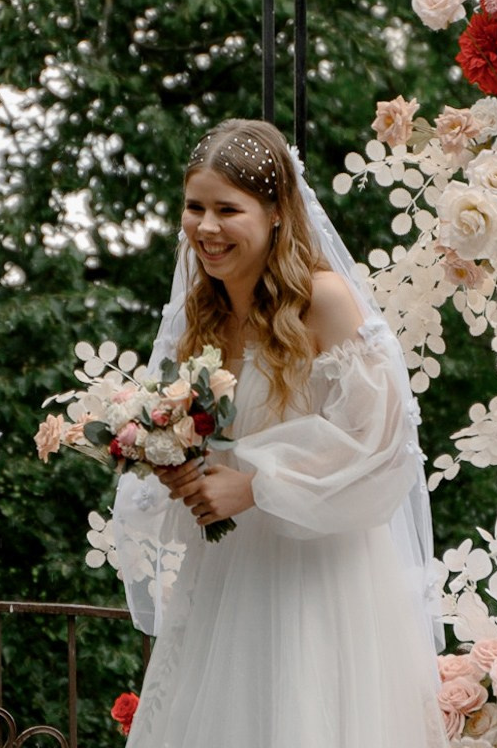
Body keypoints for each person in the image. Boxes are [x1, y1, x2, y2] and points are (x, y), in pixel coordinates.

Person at [111, 119, 446, 748]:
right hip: (227, 575)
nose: (206, 228)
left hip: (314, 573)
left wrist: (257, 485)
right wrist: (173, 461)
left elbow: (381, 445)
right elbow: (199, 433)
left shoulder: (324, 301)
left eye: (227, 210)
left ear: (275, 215)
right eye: (194, 207)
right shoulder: (199, 314)